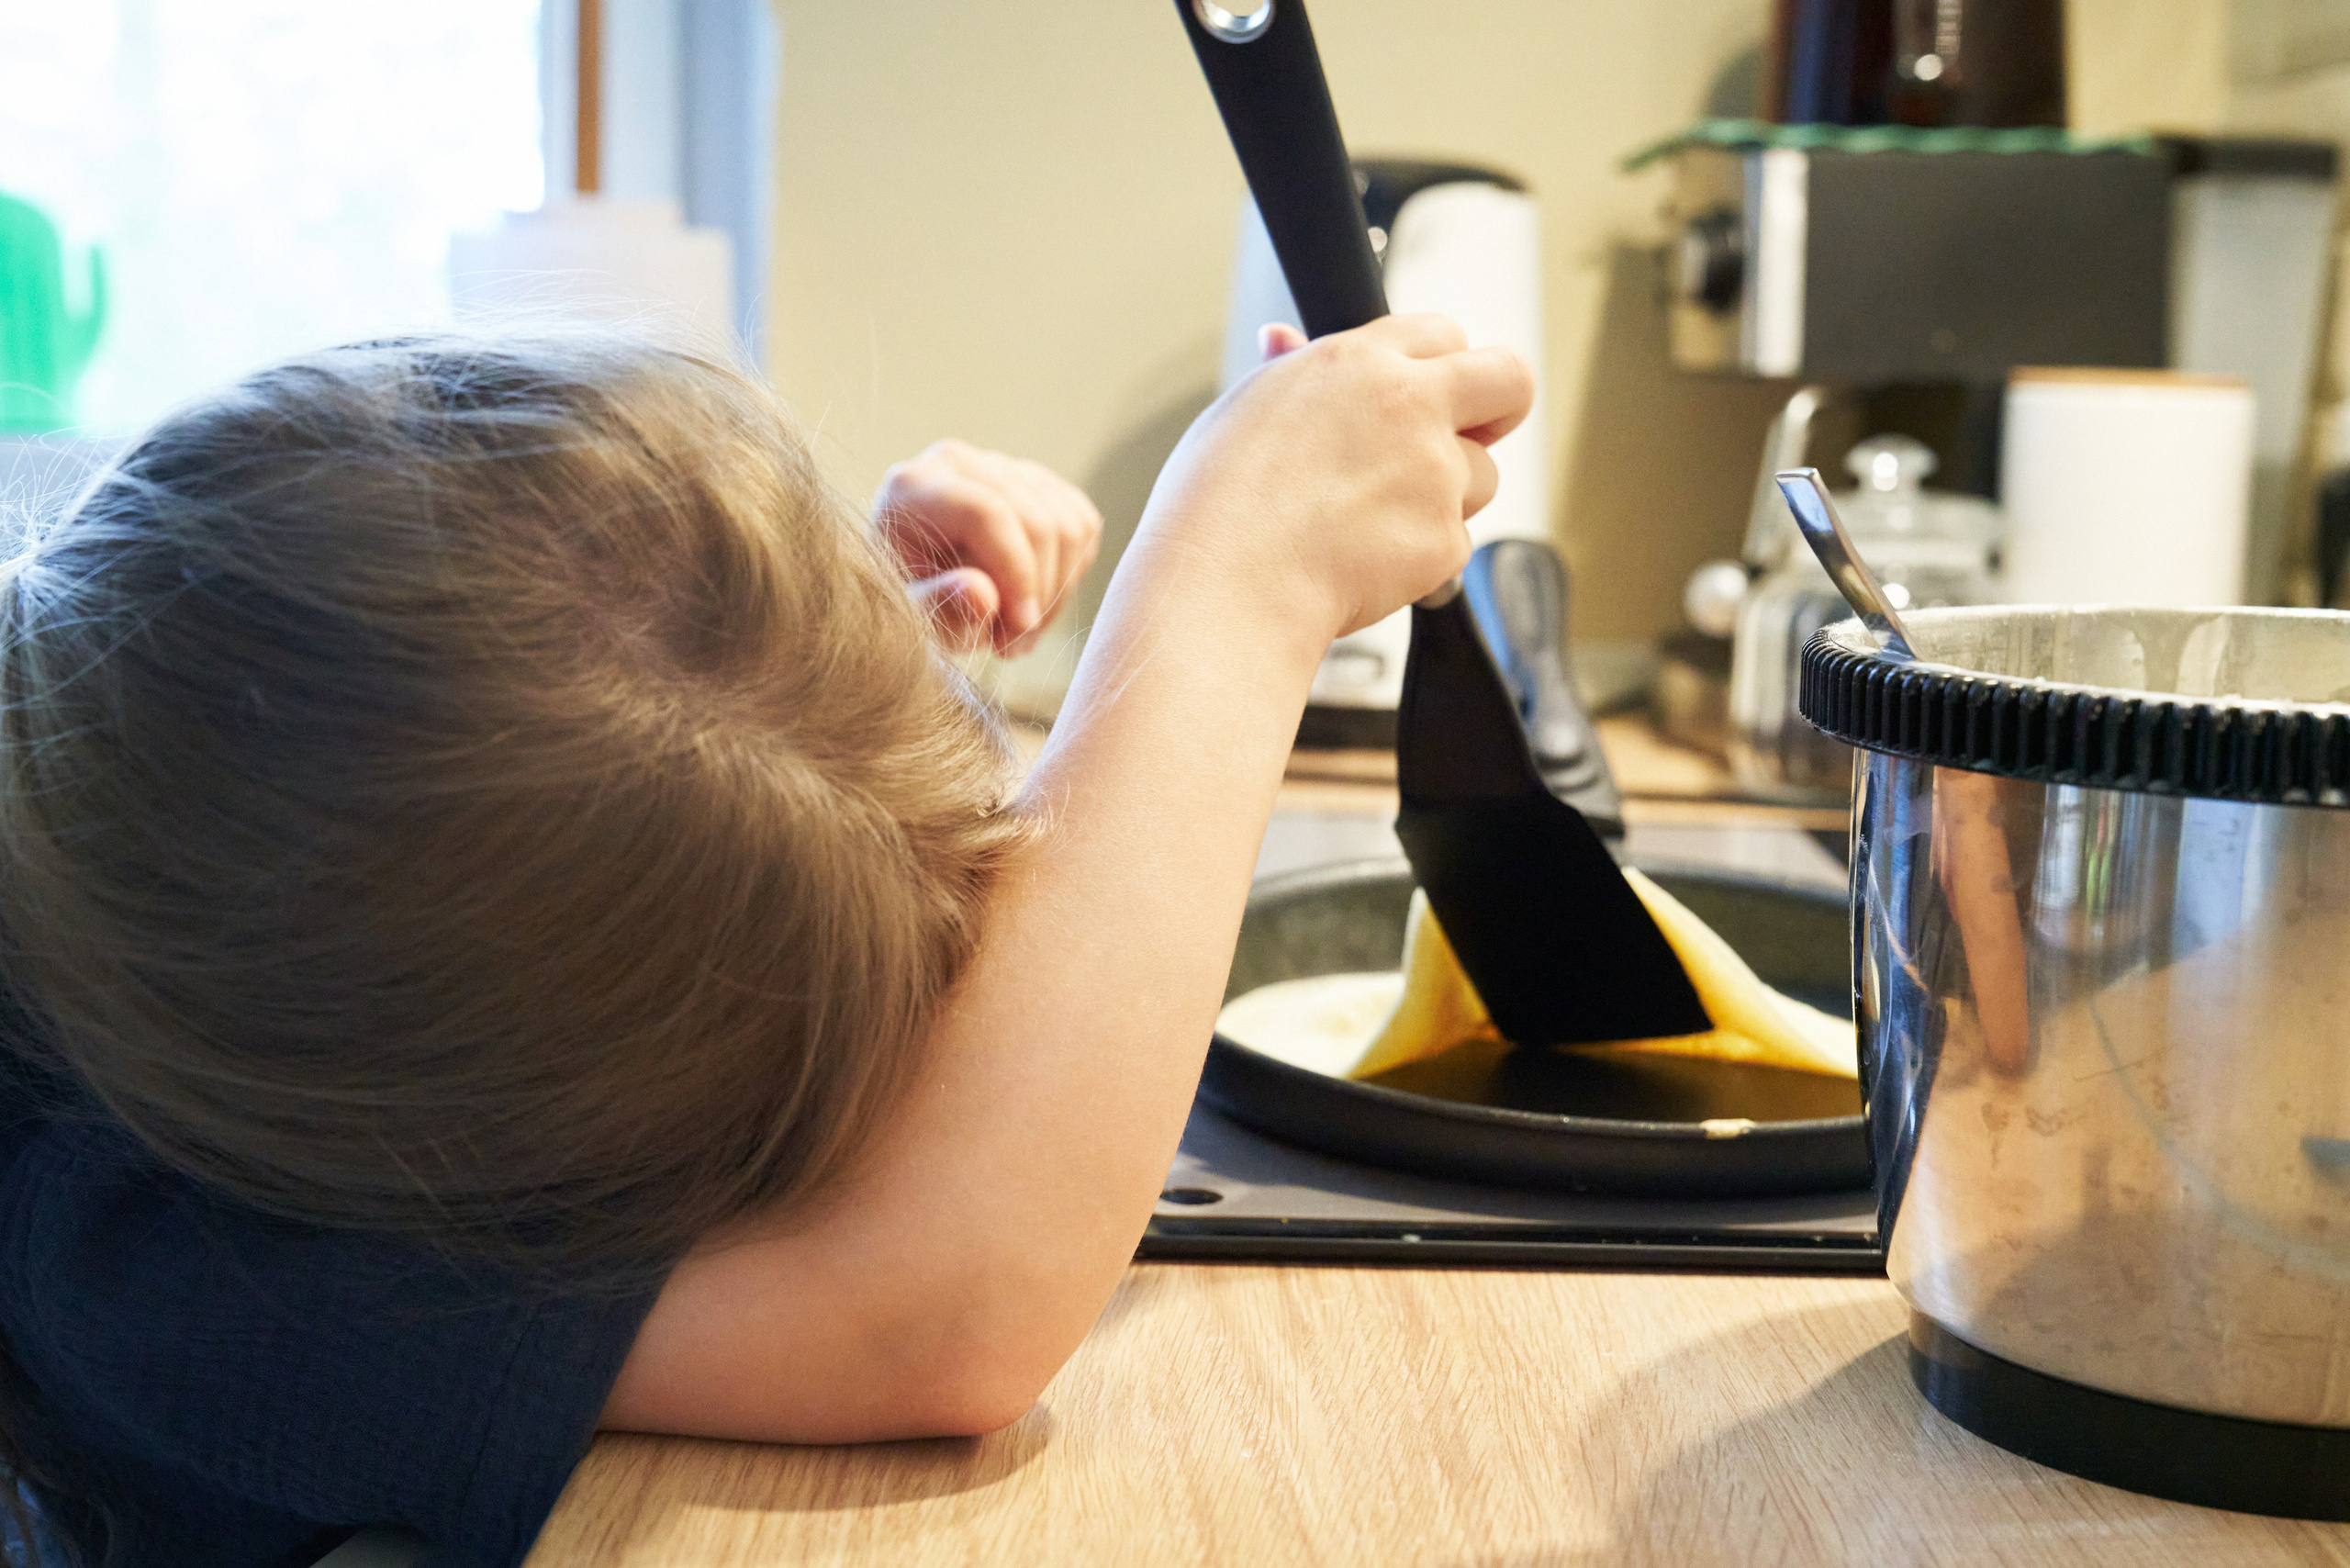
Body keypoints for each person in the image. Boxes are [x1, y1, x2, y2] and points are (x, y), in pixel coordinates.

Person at [0, 315, 1531, 1567]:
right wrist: (1238, 577)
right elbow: (943, 1296)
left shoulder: (191, 837)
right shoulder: (133, 1247)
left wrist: (835, 683)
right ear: (455, 1183)